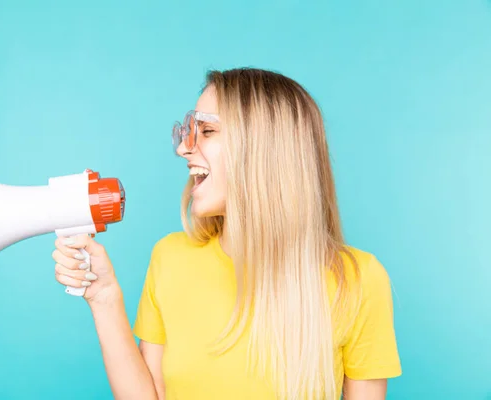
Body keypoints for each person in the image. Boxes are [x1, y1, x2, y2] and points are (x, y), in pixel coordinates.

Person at [51, 67, 402, 400]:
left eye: (207, 131)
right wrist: (105, 299)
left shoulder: (357, 279)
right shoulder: (170, 258)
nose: (183, 148)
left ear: (265, 147)